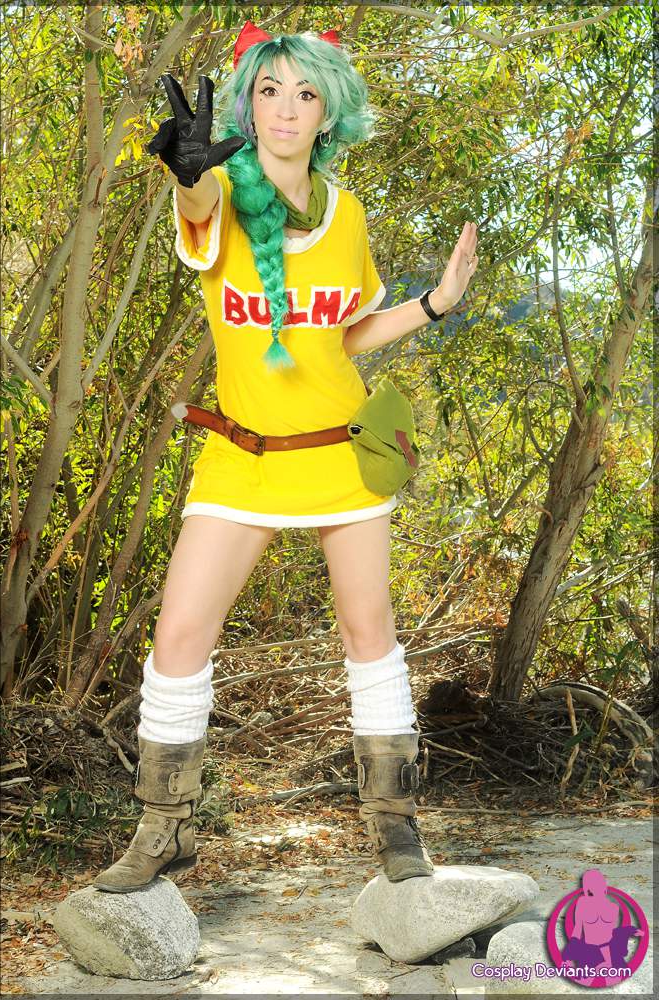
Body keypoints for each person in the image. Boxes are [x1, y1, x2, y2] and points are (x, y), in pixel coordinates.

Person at [93, 19, 478, 894]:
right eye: (269, 91)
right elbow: (198, 211)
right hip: (242, 457)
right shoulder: (221, 192)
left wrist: (435, 303)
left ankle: (396, 828)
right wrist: (187, 174)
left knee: (368, 633)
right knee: (179, 633)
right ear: (249, 105)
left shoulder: (349, 212)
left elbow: (347, 335)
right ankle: (163, 829)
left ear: (328, 112)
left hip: (338, 454)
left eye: (306, 93)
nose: (286, 109)